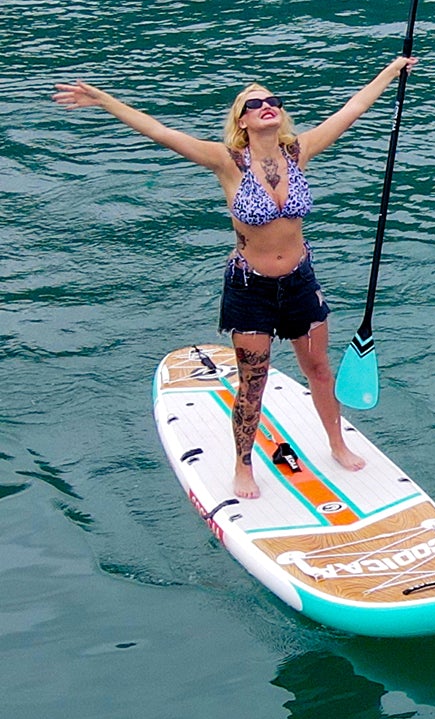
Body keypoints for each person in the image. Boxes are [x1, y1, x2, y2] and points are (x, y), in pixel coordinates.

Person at [52, 56, 415, 500]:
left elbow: (351, 110)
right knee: (253, 383)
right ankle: (243, 467)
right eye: (254, 103)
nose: (267, 106)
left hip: (300, 280)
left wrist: (392, 70)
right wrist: (102, 99)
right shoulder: (227, 162)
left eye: (272, 101)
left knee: (318, 369)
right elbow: (159, 132)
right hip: (251, 289)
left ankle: (336, 443)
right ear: (242, 121)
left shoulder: (298, 151)